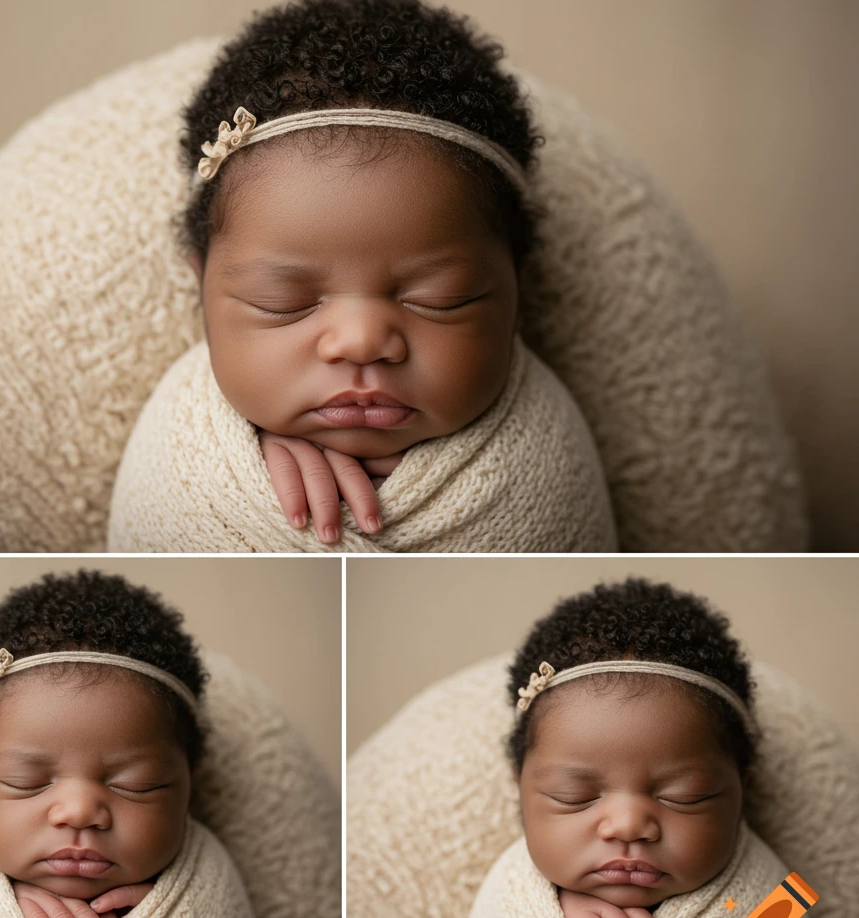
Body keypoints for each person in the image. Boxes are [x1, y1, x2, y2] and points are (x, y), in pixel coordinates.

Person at [174, 0, 609, 546]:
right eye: (280, 301)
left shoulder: (547, 463)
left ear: (517, 290)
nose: (361, 342)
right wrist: (242, 465)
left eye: (442, 298)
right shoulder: (186, 446)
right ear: (201, 288)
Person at [0, 569, 264, 918]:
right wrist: (1, 909)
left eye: (137, 785)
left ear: (190, 780)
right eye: (25, 781)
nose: (80, 811)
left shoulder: (210, 895)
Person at [501, 578, 762, 918]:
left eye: (685, 796)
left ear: (742, 789)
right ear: (519, 787)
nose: (627, 826)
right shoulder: (510, 899)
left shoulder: (774, 902)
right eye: (573, 796)